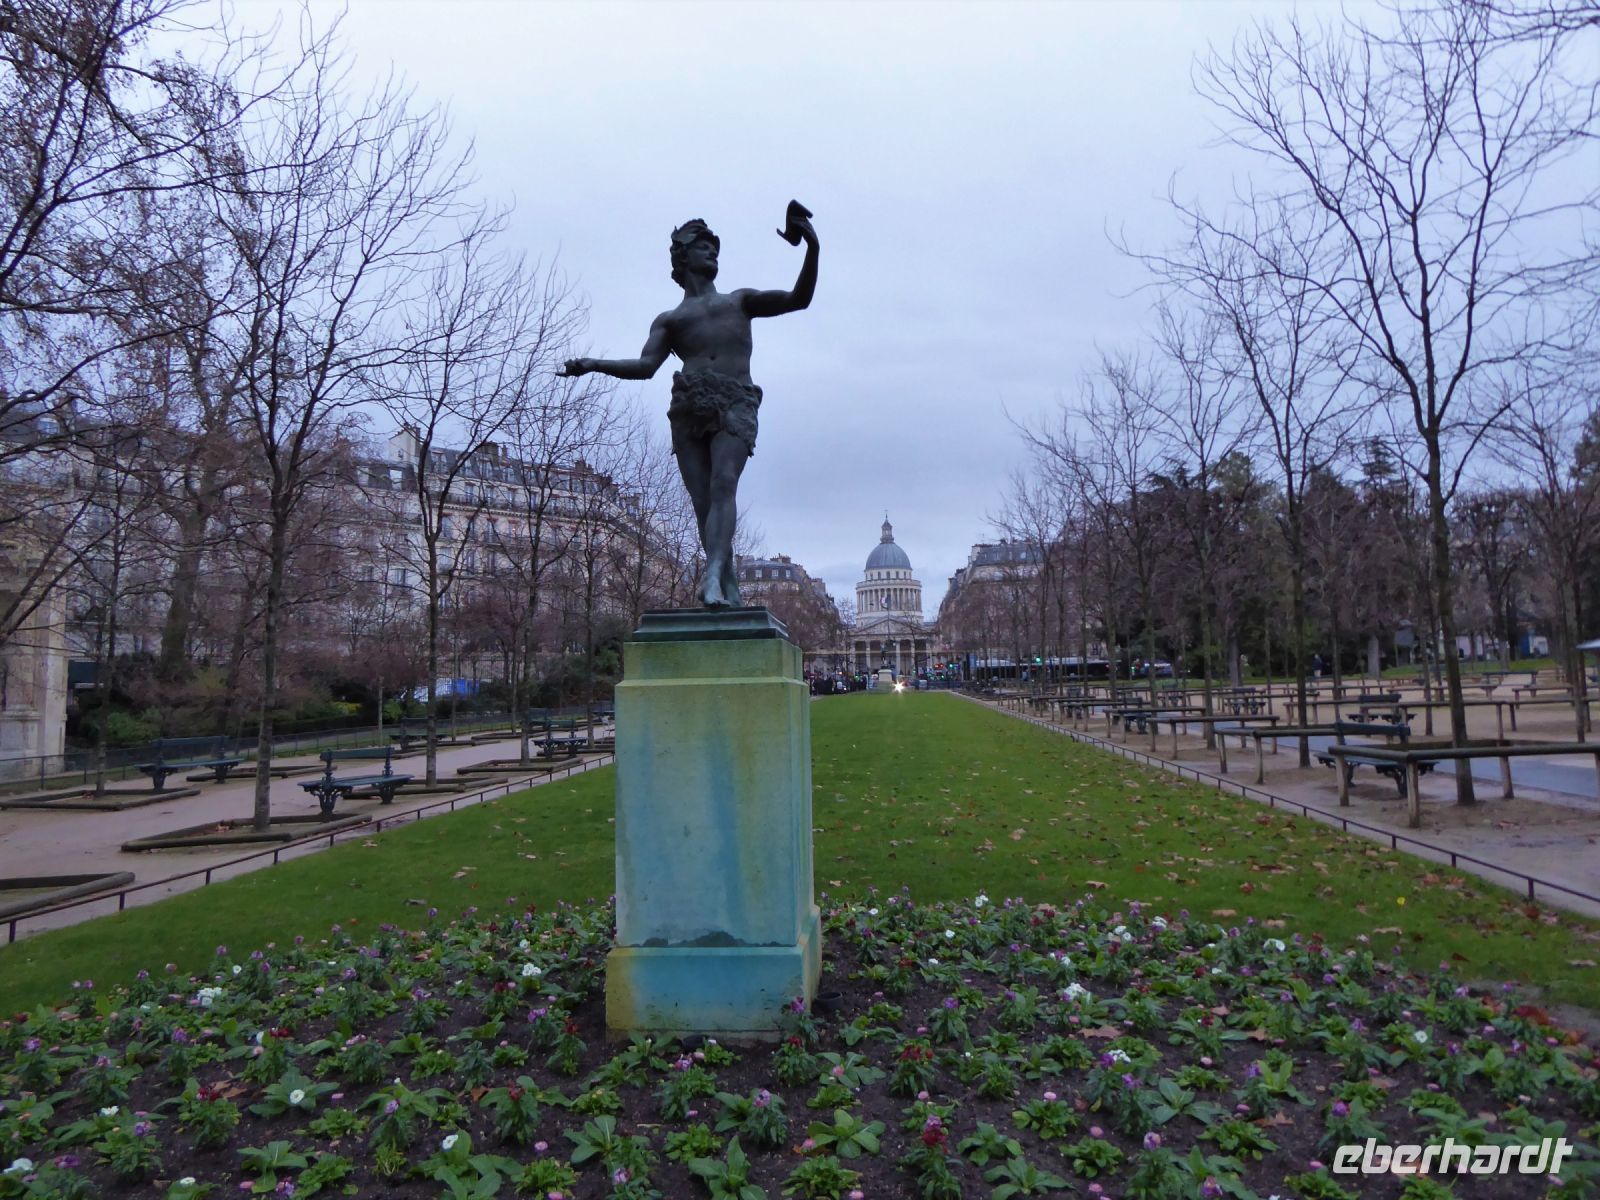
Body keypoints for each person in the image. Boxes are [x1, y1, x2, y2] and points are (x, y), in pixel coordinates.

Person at [559, 208, 819, 608]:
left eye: (715, 249)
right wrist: (594, 364)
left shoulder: (740, 301)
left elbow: (797, 299)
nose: (712, 254)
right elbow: (645, 367)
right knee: (702, 503)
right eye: (703, 248)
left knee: (723, 484)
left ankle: (711, 576)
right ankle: (727, 587)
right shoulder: (671, 319)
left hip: (735, 402)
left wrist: (812, 247)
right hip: (688, 407)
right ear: (683, 258)